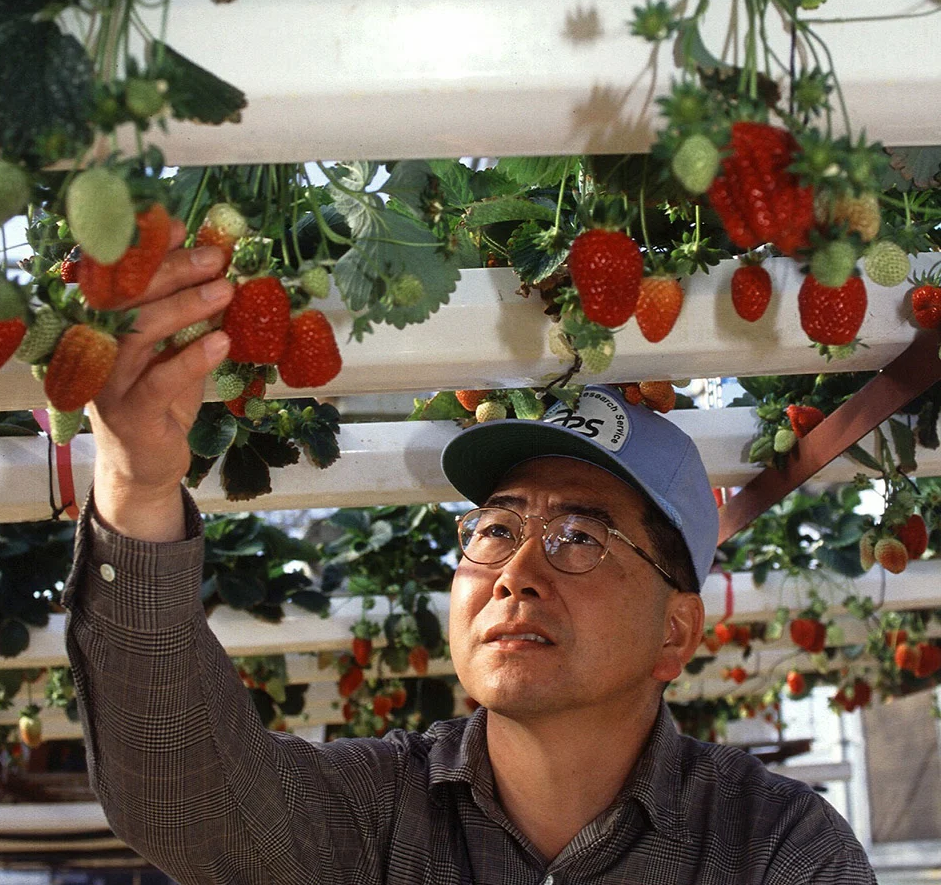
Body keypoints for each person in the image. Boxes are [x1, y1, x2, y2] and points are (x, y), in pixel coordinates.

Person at [63, 224, 878, 884]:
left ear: (676, 630)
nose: (517, 576)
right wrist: (136, 487)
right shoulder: (373, 812)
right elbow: (185, 799)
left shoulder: (777, 850)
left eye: (580, 537)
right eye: (496, 529)